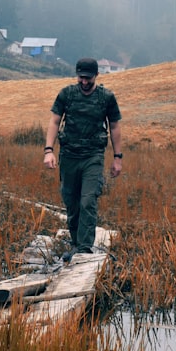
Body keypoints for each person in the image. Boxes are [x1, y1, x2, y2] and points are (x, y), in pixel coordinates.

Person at [43, 57, 123, 261]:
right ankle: (77, 243)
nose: (84, 82)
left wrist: (117, 158)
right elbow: (54, 121)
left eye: (88, 78)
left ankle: (84, 249)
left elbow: (114, 127)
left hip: (93, 157)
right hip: (69, 156)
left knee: (88, 200)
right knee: (71, 201)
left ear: (96, 76)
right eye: (81, 78)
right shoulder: (66, 94)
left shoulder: (106, 98)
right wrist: (48, 150)